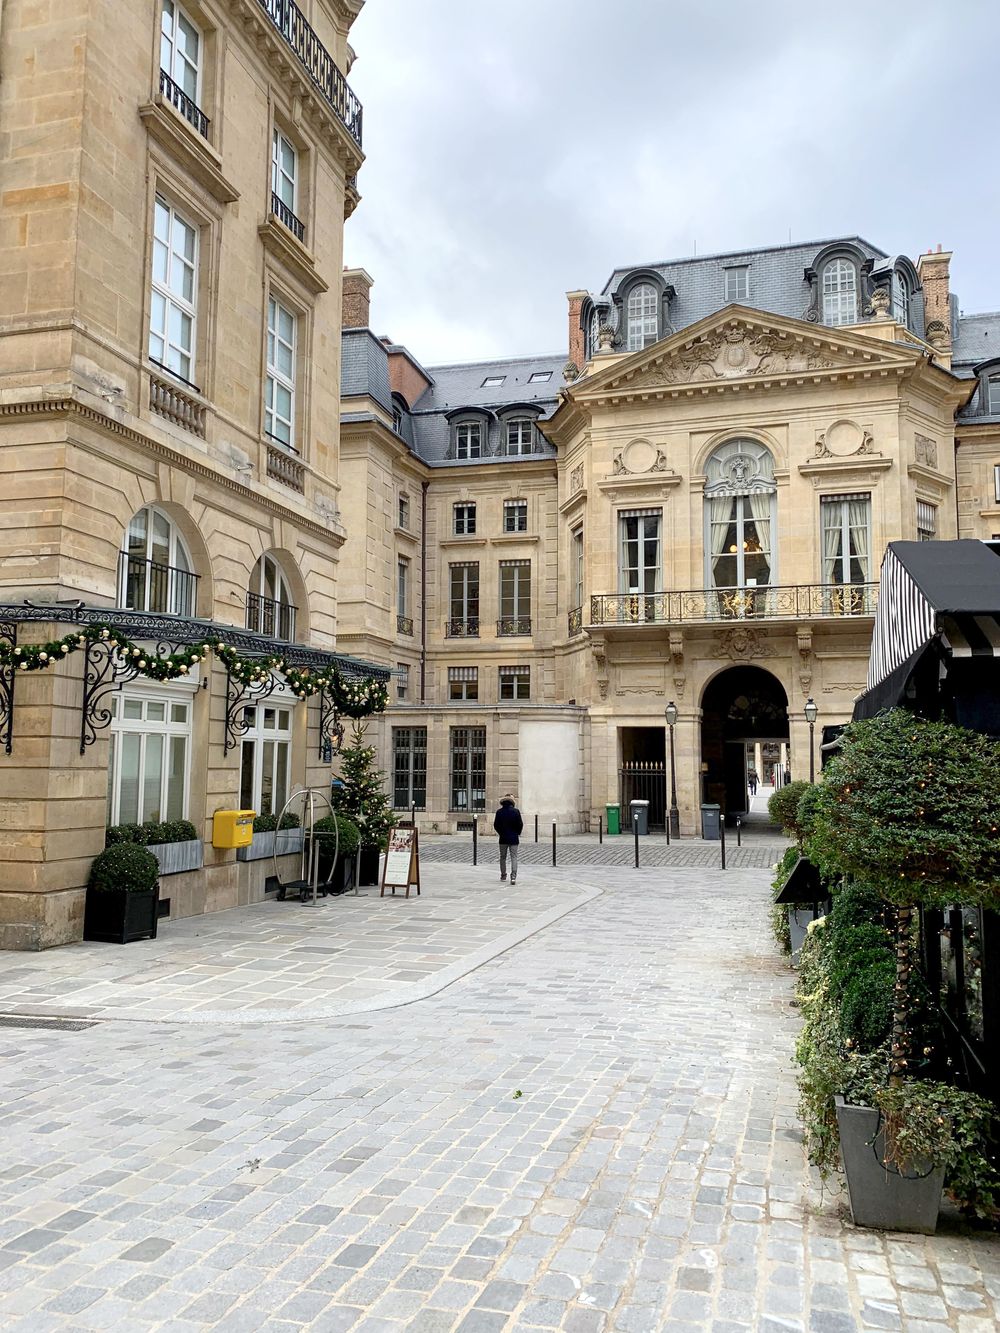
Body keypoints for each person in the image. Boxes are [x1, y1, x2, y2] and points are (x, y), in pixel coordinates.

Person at [493, 793, 523, 885]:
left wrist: (501, 833)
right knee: (514, 857)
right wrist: (517, 833)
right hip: (514, 838)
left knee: (503, 857)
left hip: (503, 838)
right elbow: (520, 824)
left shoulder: (499, 812)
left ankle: (503, 875)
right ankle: (513, 876)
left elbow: (496, 825)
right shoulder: (516, 811)